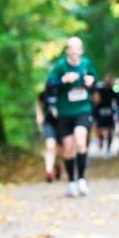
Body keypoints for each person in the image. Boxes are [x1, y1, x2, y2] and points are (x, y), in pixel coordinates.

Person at [47, 37, 98, 197]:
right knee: (68, 150)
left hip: (83, 110)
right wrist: (63, 80)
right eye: (71, 48)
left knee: (81, 142)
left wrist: (92, 81)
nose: (74, 51)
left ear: (81, 50)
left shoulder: (86, 64)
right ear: (67, 50)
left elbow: (95, 80)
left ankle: (82, 179)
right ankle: (71, 182)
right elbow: (49, 85)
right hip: (64, 113)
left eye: (77, 48)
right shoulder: (60, 66)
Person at [36, 83, 61, 181]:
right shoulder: (44, 94)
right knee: (50, 146)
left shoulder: (62, 91)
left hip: (61, 123)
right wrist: (39, 115)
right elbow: (38, 104)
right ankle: (49, 171)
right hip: (48, 123)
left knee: (59, 149)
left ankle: (58, 166)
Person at [92, 74, 117, 156]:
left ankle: (108, 148)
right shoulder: (99, 89)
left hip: (109, 113)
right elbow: (95, 99)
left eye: (109, 79)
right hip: (99, 112)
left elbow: (117, 99)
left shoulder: (113, 90)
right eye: (106, 79)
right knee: (99, 129)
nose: (107, 81)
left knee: (110, 130)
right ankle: (101, 140)